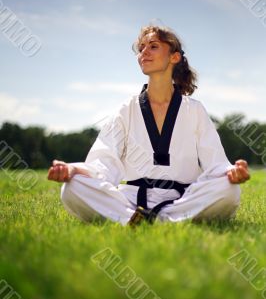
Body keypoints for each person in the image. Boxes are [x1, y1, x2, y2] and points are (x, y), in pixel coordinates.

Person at [47, 25, 250, 226]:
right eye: (141, 47)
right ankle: (139, 218)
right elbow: (104, 162)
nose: (144, 51)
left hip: (182, 199)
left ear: (174, 57)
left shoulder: (194, 110)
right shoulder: (127, 108)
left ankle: (145, 219)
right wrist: (73, 170)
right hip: (131, 199)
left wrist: (231, 172)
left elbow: (215, 163)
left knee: (229, 189)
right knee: (72, 187)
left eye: (153, 46)